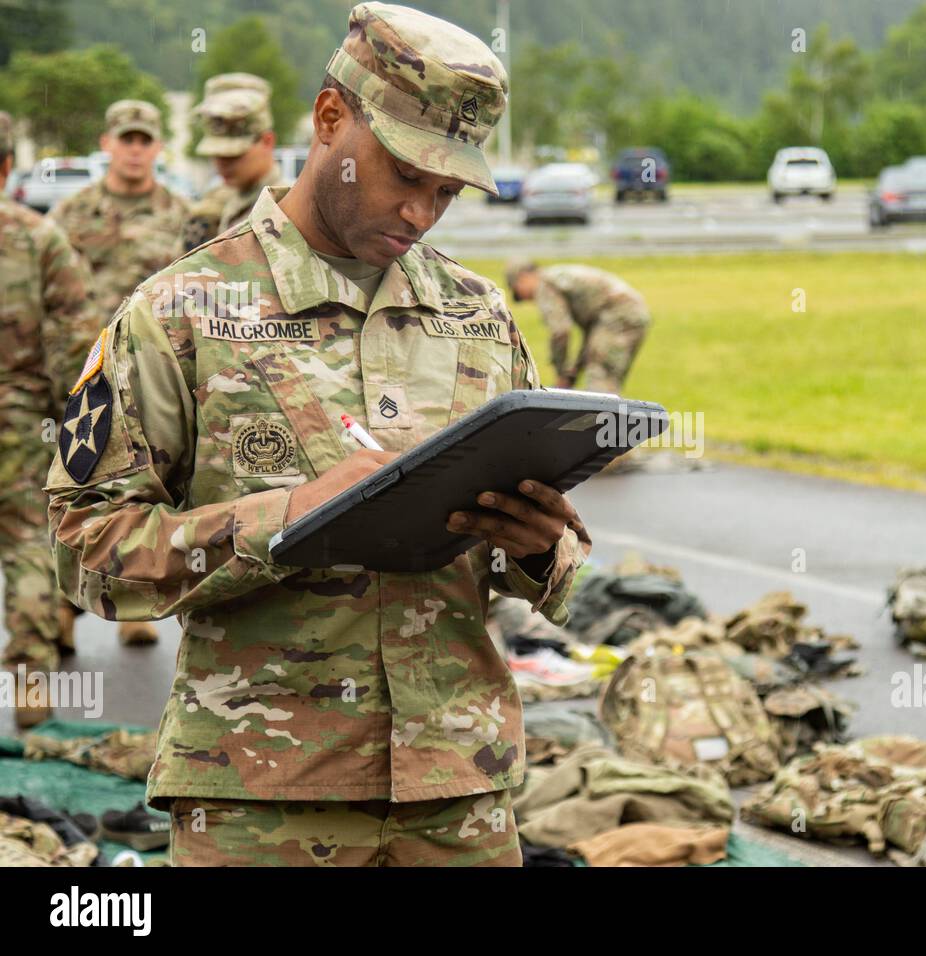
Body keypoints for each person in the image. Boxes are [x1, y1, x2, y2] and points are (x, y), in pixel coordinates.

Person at [46, 2, 590, 867]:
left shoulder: (479, 317)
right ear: (330, 118)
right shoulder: (181, 313)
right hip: (263, 798)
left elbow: (555, 561)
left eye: (447, 191)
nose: (421, 211)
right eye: (404, 174)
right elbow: (85, 550)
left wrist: (539, 553)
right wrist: (283, 519)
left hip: (459, 794)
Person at [51, 98, 190, 648]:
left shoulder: (182, 215)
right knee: (74, 497)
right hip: (86, 376)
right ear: (107, 145)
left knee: (150, 490)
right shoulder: (71, 215)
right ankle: (62, 612)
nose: (134, 150)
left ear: (157, 147)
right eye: (125, 139)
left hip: (153, 380)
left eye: (144, 140)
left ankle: (135, 607)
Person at [0, 111, 102, 727]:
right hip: (19, 418)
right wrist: (74, 428)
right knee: (25, 546)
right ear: (9, 165)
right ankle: (31, 685)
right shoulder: (38, 238)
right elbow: (73, 346)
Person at [504, 260, 651, 392]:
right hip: (628, 314)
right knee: (605, 376)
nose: (525, 299)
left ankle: (601, 420)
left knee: (600, 377)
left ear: (523, 277)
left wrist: (561, 372)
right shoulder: (556, 277)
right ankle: (607, 419)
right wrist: (573, 373)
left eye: (518, 291)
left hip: (618, 315)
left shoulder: (544, 285)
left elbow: (560, 331)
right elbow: (590, 340)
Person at [181, 73, 284, 251]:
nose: (222, 164)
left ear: (267, 141)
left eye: (234, 155)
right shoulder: (211, 204)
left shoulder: (288, 205)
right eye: (216, 153)